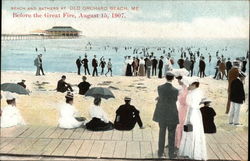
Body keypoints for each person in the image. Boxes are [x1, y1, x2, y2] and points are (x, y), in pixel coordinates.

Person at [178, 79, 207, 160]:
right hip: (197, 113)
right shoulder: (199, 91)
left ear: (194, 85)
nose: (188, 86)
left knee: (191, 132)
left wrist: (188, 119)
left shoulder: (191, 94)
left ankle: (189, 151)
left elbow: (191, 106)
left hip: (192, 113)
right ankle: (195, 151)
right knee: (196, 131)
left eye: (190, 85)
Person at [153, 71, 179, 159]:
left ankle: (160, 152)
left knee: (161, 133)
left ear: (165, 77)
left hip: (162, 113)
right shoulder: (175, 90)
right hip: (172, 114)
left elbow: (162, 97)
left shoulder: (159, 88)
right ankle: (171, 154)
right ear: (173, 79)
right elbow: (174, 100)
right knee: (171, 134)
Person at [174, 76, 189, 150]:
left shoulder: (185, 89)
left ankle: (179, 143)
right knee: (179, 125)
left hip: (183, 109)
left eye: (178, 80)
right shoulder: (182, 88)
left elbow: (184, 100)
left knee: (180, 125)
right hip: (181, 108)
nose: (178, 81)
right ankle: (177, 142)